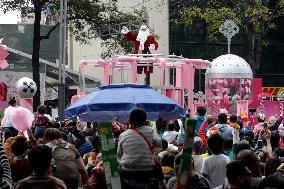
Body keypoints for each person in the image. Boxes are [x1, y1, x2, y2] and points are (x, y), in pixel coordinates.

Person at [117, 108, 162, 189]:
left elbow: (119, 155)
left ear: (130, 120)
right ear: (145, 120)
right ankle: (161, 183)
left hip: (127, 171)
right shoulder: (151, 131)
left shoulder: (123, 134)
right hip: (147, 171)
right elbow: (159, 143)